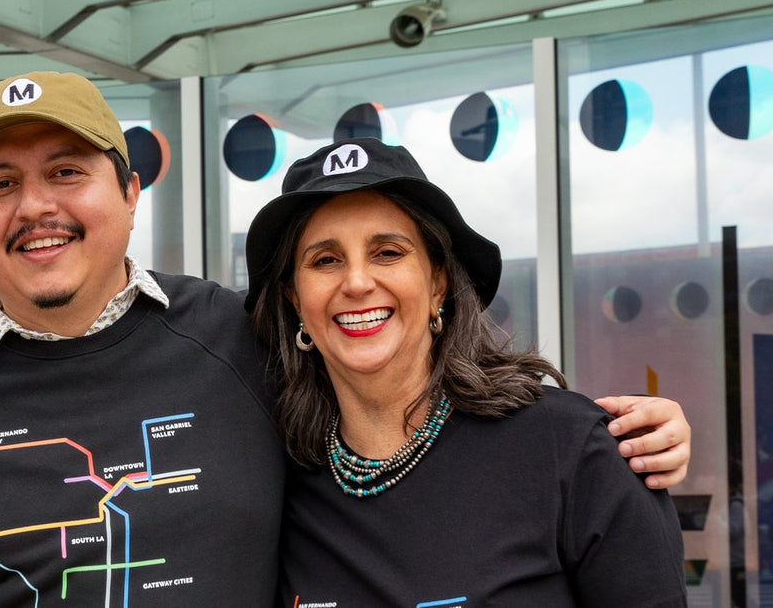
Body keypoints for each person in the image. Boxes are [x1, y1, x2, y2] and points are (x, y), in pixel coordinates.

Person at [0, 71, 693, 606]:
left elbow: (423, 398)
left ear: (130, 193)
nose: (36, 206)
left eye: (67, 170)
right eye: (0, 183)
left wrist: (614, 437)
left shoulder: (225, 337)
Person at [246, 140, 684, 606]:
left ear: (439, 283)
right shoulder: (274, 476)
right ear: (295, 301)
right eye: (325, 260)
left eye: (388, 252)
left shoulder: (572, 450)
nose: (356, 282)